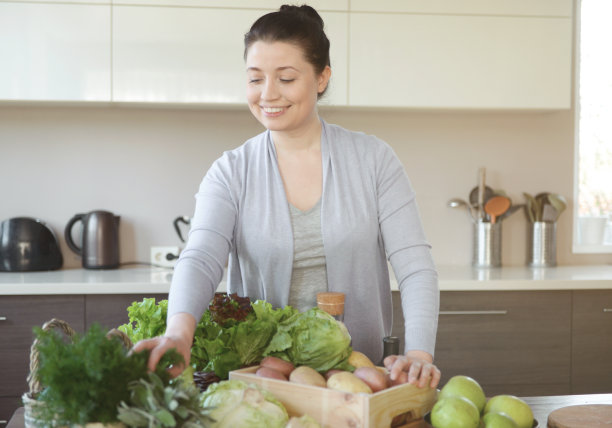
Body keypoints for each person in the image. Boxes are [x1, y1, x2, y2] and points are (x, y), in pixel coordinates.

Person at [134, 4, 441, 389]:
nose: (268, 94)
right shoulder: (231, 171)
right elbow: (201, 257)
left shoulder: (374, 160)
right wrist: (178, 333)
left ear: (321, 78)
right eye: (255, 78)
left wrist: (418, 355)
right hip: (260, 380)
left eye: (286, 78)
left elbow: (414, 264)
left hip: (359, 378)